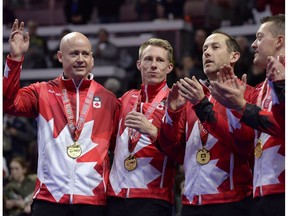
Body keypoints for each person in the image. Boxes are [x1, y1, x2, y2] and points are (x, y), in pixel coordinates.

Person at [3, 19, 120, 216]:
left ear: (92, 59)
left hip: (92, 200)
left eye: (85, 54)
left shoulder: (109, 99)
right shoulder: (42, 92)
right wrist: (15, 59)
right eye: (74, 53)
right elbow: (8, 103)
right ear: (60, 57)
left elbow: (118, 147)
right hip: (50, 199)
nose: (80, 59)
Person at [158, 31, 255, 216]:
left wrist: (202, 105)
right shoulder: (190, 98)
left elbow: (244, 147)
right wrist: (173, 112)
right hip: (192, 202)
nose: (207, 53)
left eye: (215, 47)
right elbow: (173, 150)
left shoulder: (248, 95)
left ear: (234, 56)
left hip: (232, 202)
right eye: (204, 49)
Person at [208, 14, 285, 216]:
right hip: (261, 191)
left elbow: (281, 125)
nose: (253, 44)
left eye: (259, 37)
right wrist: (234, 107)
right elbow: (244, 143)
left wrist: (242, 106)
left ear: (279, 41)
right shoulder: (261, 89)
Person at [107, 38, 175, 216]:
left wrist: (153, 131)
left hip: (153, 197)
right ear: (139, 64)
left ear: (169, 67)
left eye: (160, 60)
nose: (153, 65)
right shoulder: (127, 98)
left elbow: (179, 149)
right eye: (148, 59)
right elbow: (111, 140)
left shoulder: (175, 102)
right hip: (115, 196)